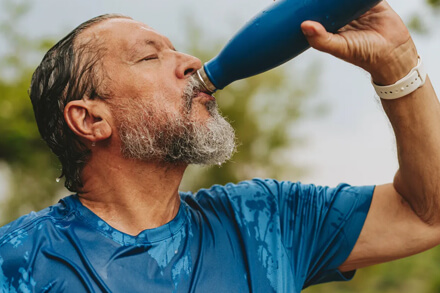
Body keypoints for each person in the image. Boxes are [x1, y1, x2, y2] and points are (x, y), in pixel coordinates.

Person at [1, 1, 439, 292]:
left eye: (177, 50)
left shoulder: (267, 218)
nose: (191, 62)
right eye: (149, 56)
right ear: (91, 118)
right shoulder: (19, 261)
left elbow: (427, 215)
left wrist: (397, 64)